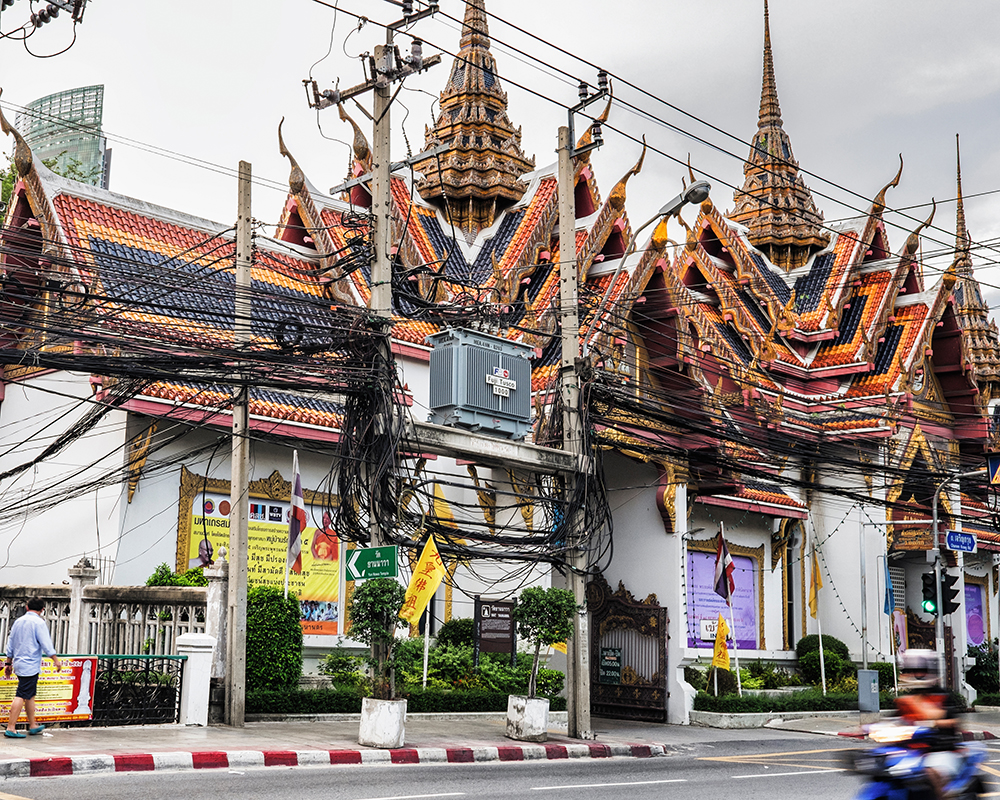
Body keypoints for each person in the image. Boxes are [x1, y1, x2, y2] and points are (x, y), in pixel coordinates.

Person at [896, 649, 963, 800]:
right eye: (910, 670)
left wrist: (931, 723)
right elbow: (894, 720)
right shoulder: (907, 698)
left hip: (941, 750)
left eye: (919, 670)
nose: (914, 674)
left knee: (930, 772)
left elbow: (953, 721)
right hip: (912, 750)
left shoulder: (942, 695)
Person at [4, 597, 63, 738]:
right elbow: (46, 643)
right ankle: (11, 727)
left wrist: (8, 663)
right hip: (30, 664)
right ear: (42, 610)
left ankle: (33, 724)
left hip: (19, 663)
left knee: (29, 694)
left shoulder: (18, 622)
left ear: (27, 607)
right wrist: (55, 660)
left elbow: (10, 644)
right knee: (21, 694)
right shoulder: (39, 623)